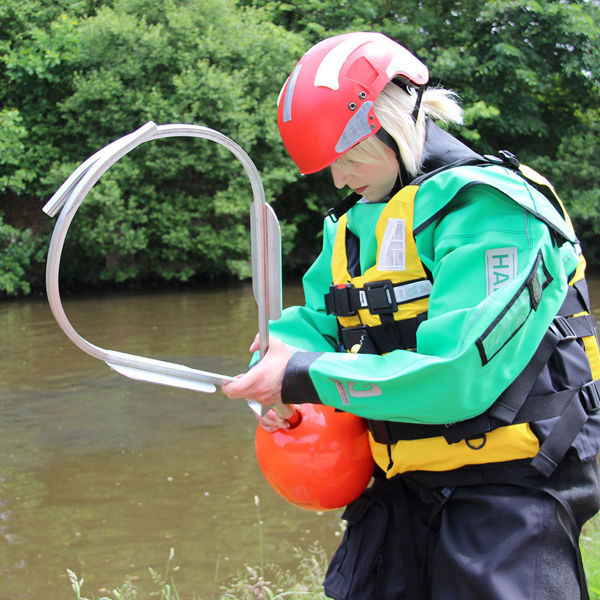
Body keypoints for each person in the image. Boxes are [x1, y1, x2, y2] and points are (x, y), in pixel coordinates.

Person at [223, 31, 600, 600]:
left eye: (349, 159)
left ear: (391, 122)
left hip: (510, 487)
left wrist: (305, 376)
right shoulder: (354, 224)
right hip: (403, 488)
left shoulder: (493, 211)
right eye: (330, 166)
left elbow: (456, 372)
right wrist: (277, 363)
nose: (340, 180)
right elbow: (322, 320)